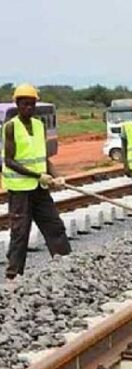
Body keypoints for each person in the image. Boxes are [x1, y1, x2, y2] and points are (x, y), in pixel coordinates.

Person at [2, 84, 70, 283]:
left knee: (54, 226)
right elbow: (9, 161)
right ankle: (13, 276)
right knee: (20, 233)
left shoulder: (40, 126)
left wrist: (56, 176)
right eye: (25, 104)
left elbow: (44, 158)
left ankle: (67, 266)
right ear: (17, 104)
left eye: (32, 104)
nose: (29, 108)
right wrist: (37, 176)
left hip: (39, 190)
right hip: (20, 191)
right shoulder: (11, 127)